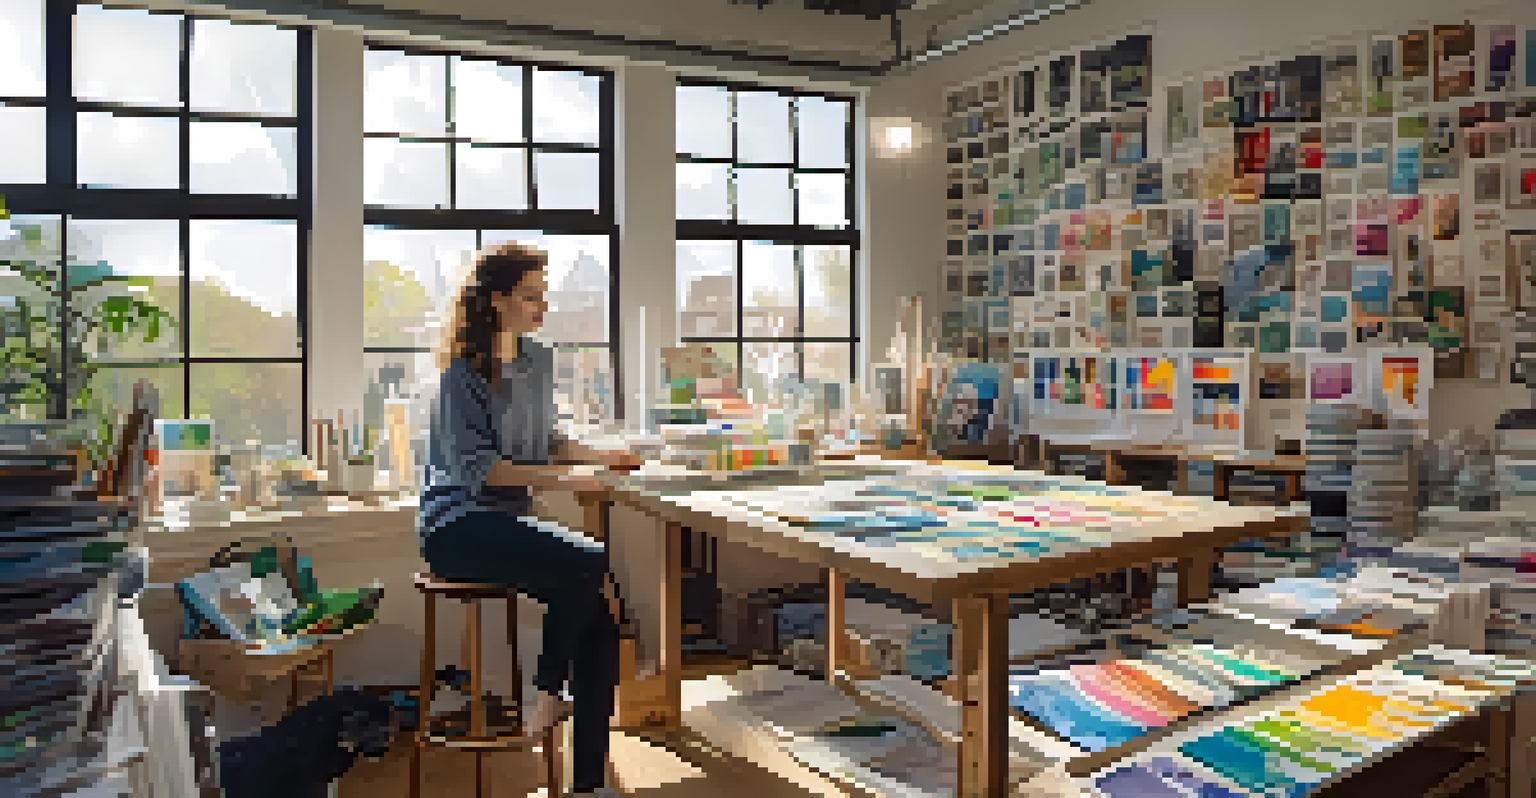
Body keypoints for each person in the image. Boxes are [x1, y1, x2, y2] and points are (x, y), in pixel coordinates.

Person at [417, 242, 640, 797]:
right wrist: (567, 481)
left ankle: (589, 784)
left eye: (544, 296)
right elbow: (482, 472)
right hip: (457, 526)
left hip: (509, 525)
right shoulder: (460, 378)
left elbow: (547, 443)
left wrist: (600, 456)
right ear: (496, 302)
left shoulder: (539, 362)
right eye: (530, 296)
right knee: (590, 559)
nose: (542, 306)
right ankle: (545, 693)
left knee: (601, 621)